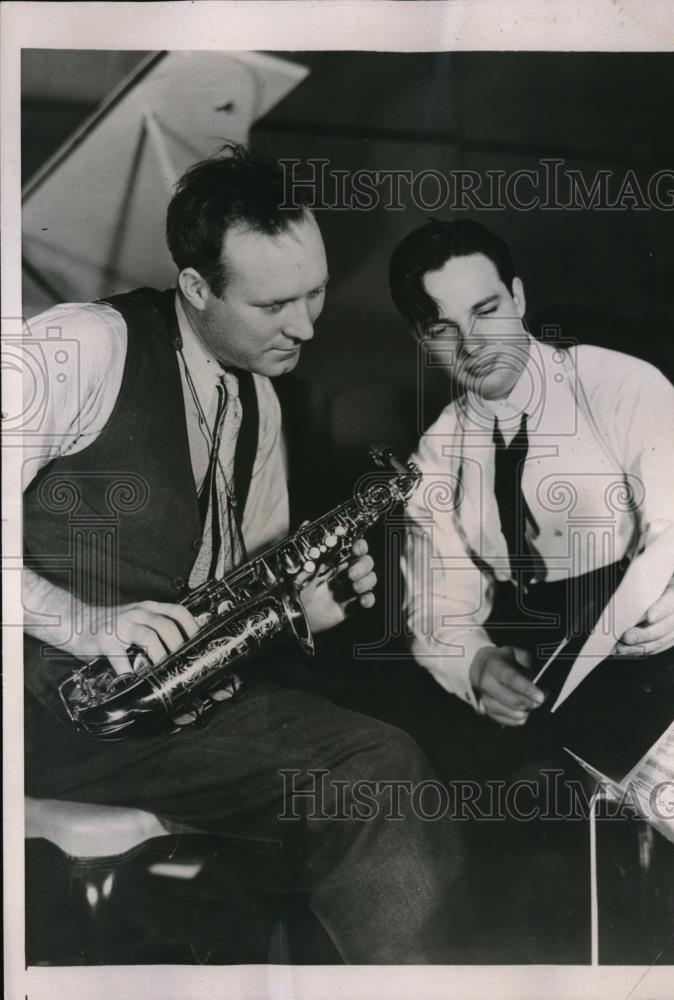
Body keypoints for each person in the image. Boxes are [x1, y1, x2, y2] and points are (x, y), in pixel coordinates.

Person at [21, 147, 471, 964]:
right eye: (274, 304)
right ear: (196, 289)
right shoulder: (81, 348)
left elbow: (235, 595)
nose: (306, 326)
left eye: (317, 292)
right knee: (373, 771)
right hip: (44, 709)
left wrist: (306, 610)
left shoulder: (258, 396)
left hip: (161, 715)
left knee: (391, 751)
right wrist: (85, 621)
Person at [389, 218, 674, 734]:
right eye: (443, 330)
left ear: (517, 297)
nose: (473, 346)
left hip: (665, 641)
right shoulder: (435, 454)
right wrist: (475, 663)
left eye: (486, 311)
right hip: (539, 675)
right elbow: (435, 605)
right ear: (420, 338)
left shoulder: (620, 386)